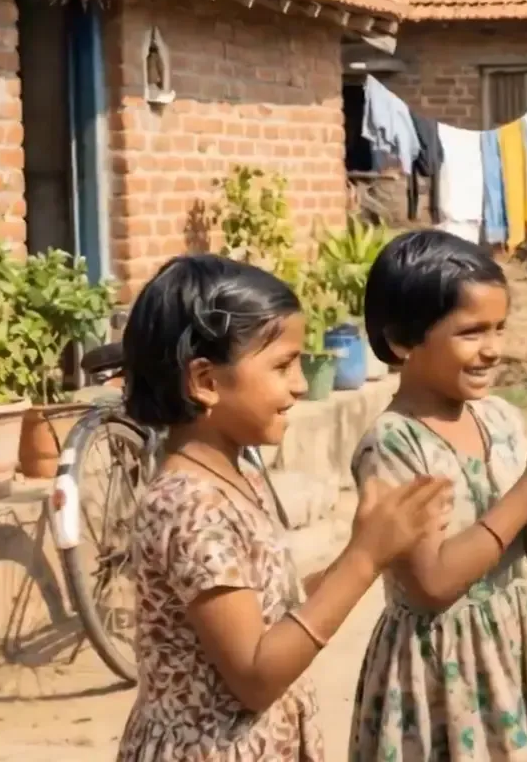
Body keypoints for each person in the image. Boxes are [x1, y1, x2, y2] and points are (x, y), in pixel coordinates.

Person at [116, 255, 453, 762]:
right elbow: (256, 675)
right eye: (281, 365)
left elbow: (273, 609)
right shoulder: (188, 506)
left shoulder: (236, 474)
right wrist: (363, 560)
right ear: (205, 381)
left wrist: (368, 548)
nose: (300, 384)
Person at [347, 229, 527, 762]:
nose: (492, 348)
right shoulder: (394, 444)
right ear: (402, 341)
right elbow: (432, 584)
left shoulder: (499, 418)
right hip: (436, 672)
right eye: (470, 332)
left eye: (499, 328)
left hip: (508, 654)